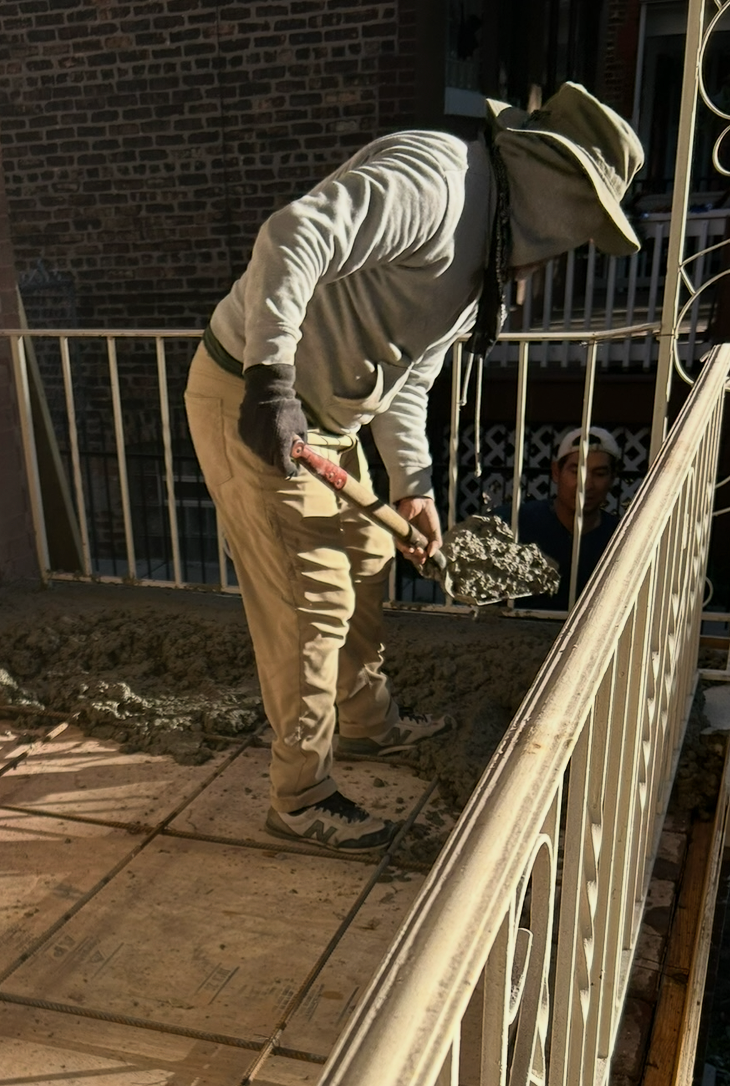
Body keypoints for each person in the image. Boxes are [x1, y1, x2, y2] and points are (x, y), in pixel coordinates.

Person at [185, 84, 643, 850]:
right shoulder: (437, 183)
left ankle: (364, 722)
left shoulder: (483, 261)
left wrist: (415, 488)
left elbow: (409, 377)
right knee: (313, 604)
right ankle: (300, 795)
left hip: (324, 420)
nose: (575, 246)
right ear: (552, 189)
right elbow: (291, 235)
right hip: (252, 397)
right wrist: (270, 381)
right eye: (583, 221)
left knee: (368, 555)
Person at [501, 426, 622, 611]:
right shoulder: (513, 524)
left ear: (612, 478)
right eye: (576, 471)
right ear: (556, 472)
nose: (586, 484)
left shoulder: (620, 538)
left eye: (599, 474)